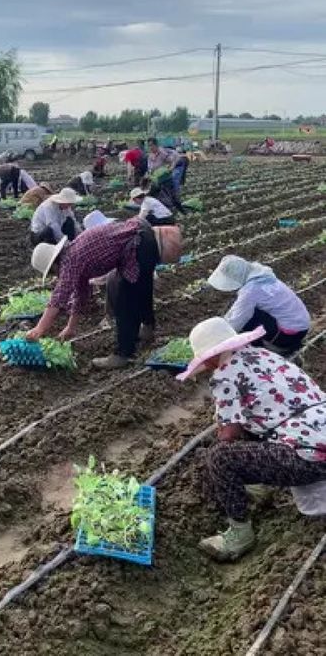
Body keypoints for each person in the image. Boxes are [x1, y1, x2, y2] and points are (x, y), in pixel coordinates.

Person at [177, 317, 326, 562]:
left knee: (220, 456)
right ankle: (260, 486)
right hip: (318, 436)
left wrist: (223, 432)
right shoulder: (266, 357)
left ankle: (239, 535)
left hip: (309, 456)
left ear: (212, 357)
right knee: (253, 426)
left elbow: (228, 434)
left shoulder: (225, 375)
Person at [26, 217, 160, 369]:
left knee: (124, 300)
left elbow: (58, 298)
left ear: (53, 265)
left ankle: (123, 354)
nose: (56, 275)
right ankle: (148, 328)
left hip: (137, 244)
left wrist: (39, 329)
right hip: (142, 238)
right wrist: (71, 327)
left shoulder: (70, 261)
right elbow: (81, 294)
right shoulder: (73, 254)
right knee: (141, 289)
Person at [208, 256, 310, 355]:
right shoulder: (264, 277)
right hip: (302, 327)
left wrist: (219, 341)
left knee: (247, 320)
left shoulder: (250, 291)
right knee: (244, 309)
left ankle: (271, 348)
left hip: (288, 336)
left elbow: (237, 320)